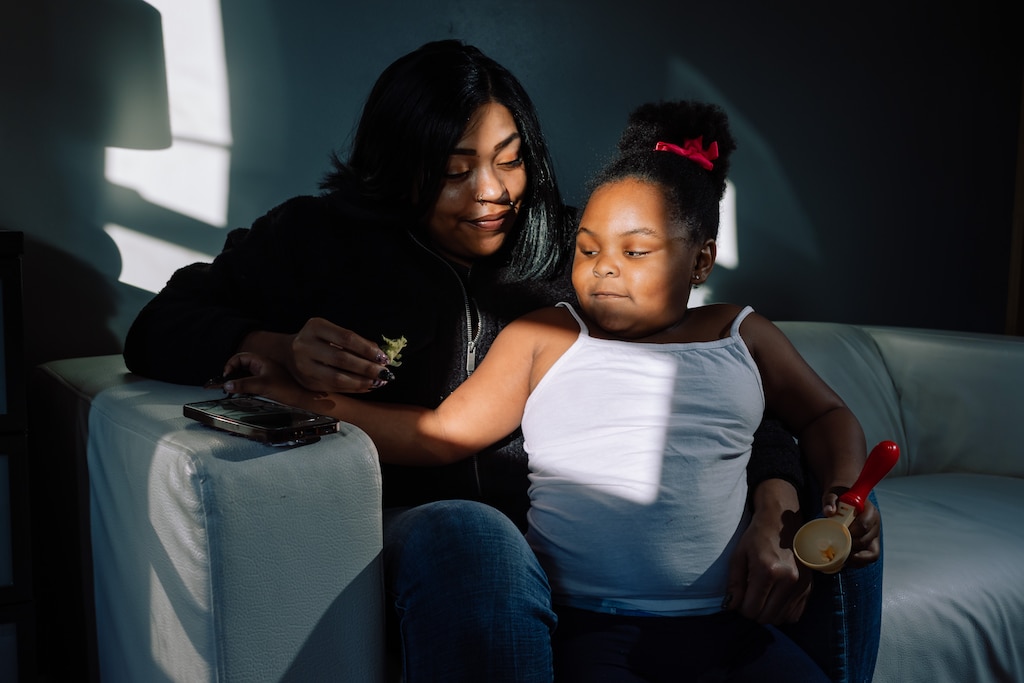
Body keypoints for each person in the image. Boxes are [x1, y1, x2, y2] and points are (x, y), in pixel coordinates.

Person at [124, 40, 877, 682]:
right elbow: (160, 323)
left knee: (842, 510)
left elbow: (720, 398)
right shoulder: (318, 240)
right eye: (456, 170)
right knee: (475, 533)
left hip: (609, 563)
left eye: (510, 162)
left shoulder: (579, 251)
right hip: (436, 535)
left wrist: (777, 508)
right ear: (400, 166)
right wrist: (277, 347)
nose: (493, 194)